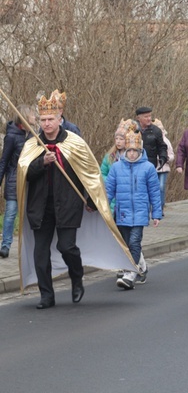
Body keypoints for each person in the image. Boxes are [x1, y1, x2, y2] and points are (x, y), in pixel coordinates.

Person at [17, 92, 135, 308]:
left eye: (50, 119)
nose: (46, 124)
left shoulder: (74, 142)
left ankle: (77, 277)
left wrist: (91, 200)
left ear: (59, 117)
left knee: (66, 246)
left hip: (68, 204)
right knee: (40, 251)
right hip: (40, 207)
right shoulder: (32, 144)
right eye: (43, 120)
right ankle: (46, 295)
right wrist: (41, 162)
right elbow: (24, 174)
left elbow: (88, 173)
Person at [105, 128, 162, 289]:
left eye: (134, 151)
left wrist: (156, 213)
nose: (131, 154)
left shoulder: (148, 168)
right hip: (122, 212)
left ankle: (130, 274)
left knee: (135, 242)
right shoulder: (116, 168)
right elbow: (109, 190)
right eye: (129, 151)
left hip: (140, 211)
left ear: (140, 151)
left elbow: (154, 192)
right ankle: (142, 266)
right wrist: (105, 210)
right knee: (126, 243)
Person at [0, 105, 36, 257]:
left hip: (31, 181)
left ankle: (30, 247)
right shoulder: (12, 136)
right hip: (14, 181)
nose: (36, 117)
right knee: (10, 213)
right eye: (33, 115)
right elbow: (4, 161)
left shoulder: (35, 135)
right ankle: (6, 246)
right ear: (25, 117)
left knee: (31, 215)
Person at [135, 106, 168, 170]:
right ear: (138, 118)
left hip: (150, 165)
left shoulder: (156, 130)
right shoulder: (133, 130)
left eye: (150, 116)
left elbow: (162, 146)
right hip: (134, 164)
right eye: (146, 117)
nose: (149, 119)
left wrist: (163, 157)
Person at [152, 118, 174, 212]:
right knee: (153, 187)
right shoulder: (150, 139)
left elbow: (171, 154)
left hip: (163, 168)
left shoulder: (166, 141)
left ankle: (161, 206)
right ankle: (152, 206)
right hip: (153, 167)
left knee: (161, 186)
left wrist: (166, 159)